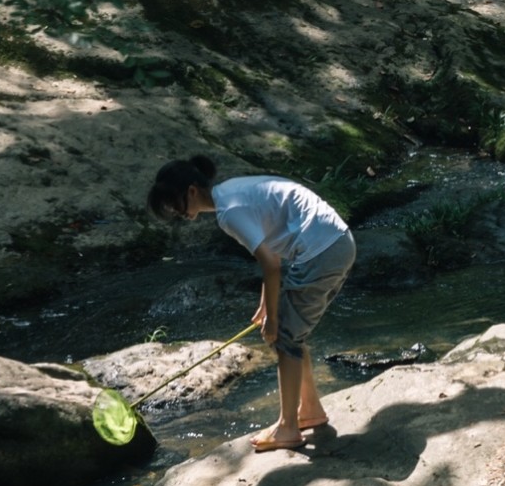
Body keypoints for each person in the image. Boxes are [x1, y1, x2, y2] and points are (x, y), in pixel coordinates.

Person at [147, 154, 355, 455]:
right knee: (290, 334)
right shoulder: (232, 192)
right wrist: (266, 305)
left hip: (320, 251)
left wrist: (272, 319)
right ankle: (309, 410)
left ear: (192, 191)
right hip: (336, 242)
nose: (176, 213)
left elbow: (271, 264)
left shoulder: (229, 212)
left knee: (284, 338)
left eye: (174, 204)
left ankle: (288, 428)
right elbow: (275, 243)